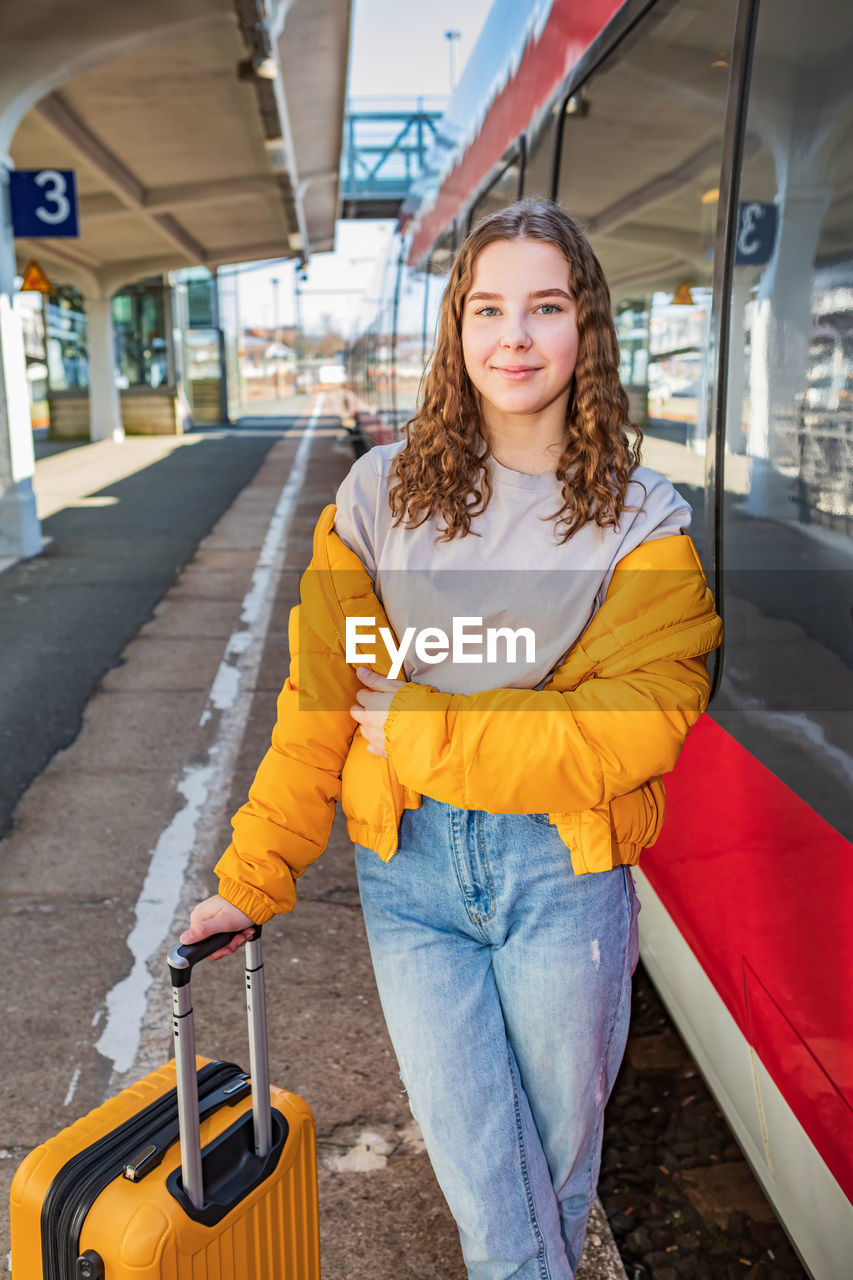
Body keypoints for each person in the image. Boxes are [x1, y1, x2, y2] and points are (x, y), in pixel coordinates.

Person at [182, 198, 722, 1280]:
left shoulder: (640, 519)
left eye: (545, 307)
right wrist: (253, 874)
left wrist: (426, 726)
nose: (513, 336)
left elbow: (634, 724)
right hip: (410, 875)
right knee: (495, 1186)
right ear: (456, 328)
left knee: (553, 1185)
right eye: (487, 307)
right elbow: (322, 700)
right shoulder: (379, 494)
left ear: (586, 329)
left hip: (563, 874)